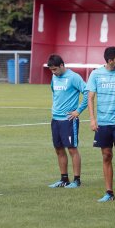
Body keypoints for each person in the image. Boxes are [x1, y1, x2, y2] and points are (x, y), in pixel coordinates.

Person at [87, 47, 115, 201]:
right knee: (106, 155)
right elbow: (90, 97)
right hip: (103, 123)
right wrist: (93, 119)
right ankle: (109, 192)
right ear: (110, 60)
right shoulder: (96, 74)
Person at [47, 54, 88, 188]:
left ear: (62, 66)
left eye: (55, 69)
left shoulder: (74, 77)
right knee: (58, 149)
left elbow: (87, 92)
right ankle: (64, 179)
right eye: (51, 70)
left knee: (72, 149)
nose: (53, 72)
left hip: (68, 120)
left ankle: (77, 180)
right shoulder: (54, 77)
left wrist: (78, 111)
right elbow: (54, 93)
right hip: (56, 119)